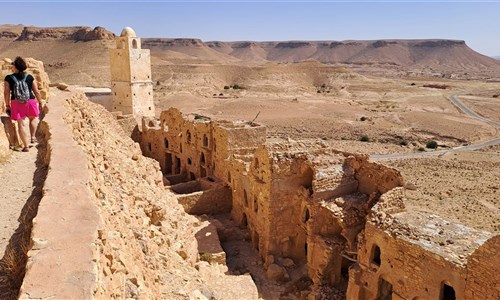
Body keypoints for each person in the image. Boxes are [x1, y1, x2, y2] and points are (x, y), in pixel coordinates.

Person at [3, 56, 43, 152]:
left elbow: (6, 92)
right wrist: (40, 102)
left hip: (16, 102)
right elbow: (36, 91)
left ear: (16, 67)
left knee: (21, 124)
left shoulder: (8, 78)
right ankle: (33, 137)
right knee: (33, 118)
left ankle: (26, 146)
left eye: (12, 66)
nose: (11, 67)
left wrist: (7, 105)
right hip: (30, 101)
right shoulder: (29, 77)